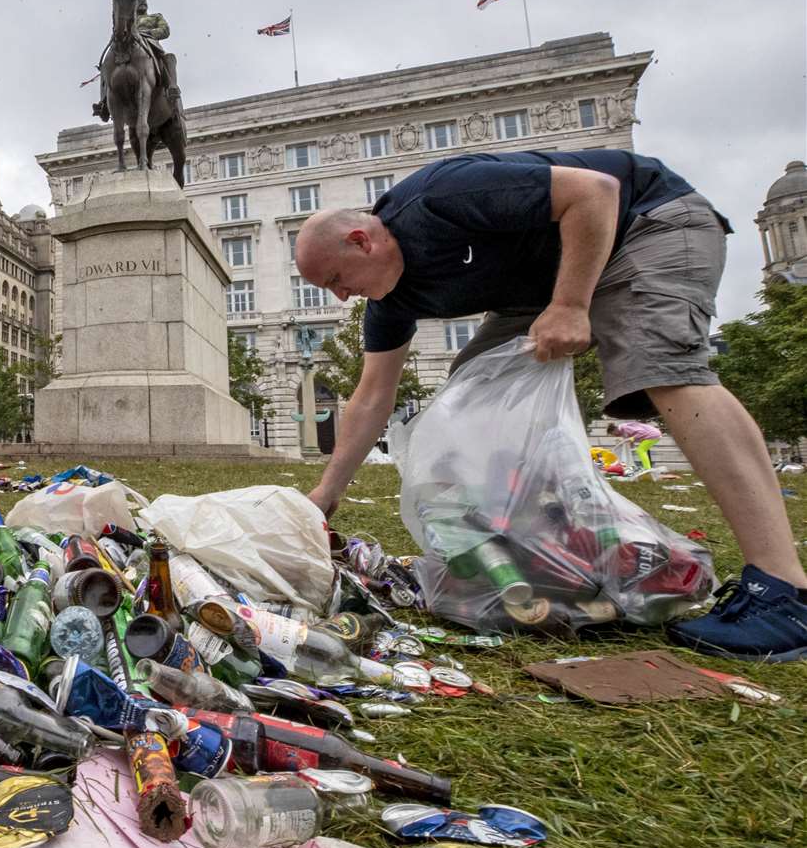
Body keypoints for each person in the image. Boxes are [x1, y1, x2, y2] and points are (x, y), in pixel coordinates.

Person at [293, 149, 807, 662]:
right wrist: (327, 492)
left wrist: (569, 305)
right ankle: (549, 553)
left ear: (362, 240)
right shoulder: (392, 301)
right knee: (470, 390)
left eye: (337, 280)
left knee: (662, 369)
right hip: (540, 283)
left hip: (643, 224)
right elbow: (372, 395)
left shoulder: (437, 198)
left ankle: (783, 592)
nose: (342, 298)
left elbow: (594, 191)